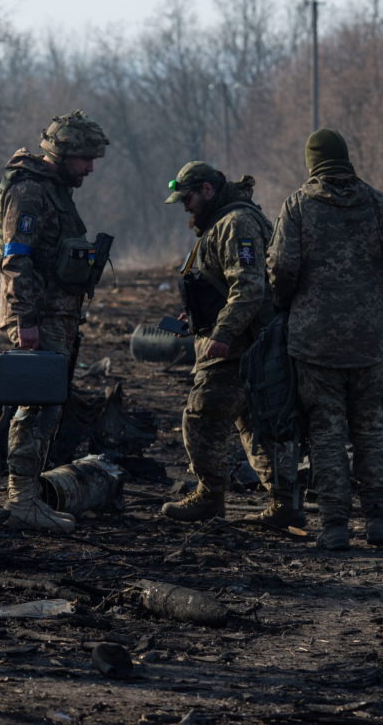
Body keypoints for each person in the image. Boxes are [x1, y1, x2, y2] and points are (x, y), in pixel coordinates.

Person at [266, 128, 383, 550]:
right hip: (369, 339)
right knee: (369, 427)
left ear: (312, 161)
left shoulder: (298, 206)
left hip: (314, 342)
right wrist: (379, 302)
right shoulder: (377, 204)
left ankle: (334, 527)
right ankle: (380, 522)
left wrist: (288, 304)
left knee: (326, 430)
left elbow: (281, 266)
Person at [0, 111, 110, 534]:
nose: (90, 168)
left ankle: (29, 494)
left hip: (57, 314)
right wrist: (25, 320)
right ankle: (21, 500)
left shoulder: (55, 190)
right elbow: (15, 258)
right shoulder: (31, 191)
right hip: (38, 316)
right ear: (64, 154)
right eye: (85, 159)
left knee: (49, 406)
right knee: (36, 407)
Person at [161, 161, 302, 527]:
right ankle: (283, 504)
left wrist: (222, 335)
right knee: (255, 422)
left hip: (240, 344)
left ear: (207, 190)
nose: (185, 206)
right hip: (242, 340)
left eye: (187, 198)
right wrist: (196, 321)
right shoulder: (220, 224)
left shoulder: (235, 223)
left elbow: (249, 286)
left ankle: (209, 497)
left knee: (202, 416)